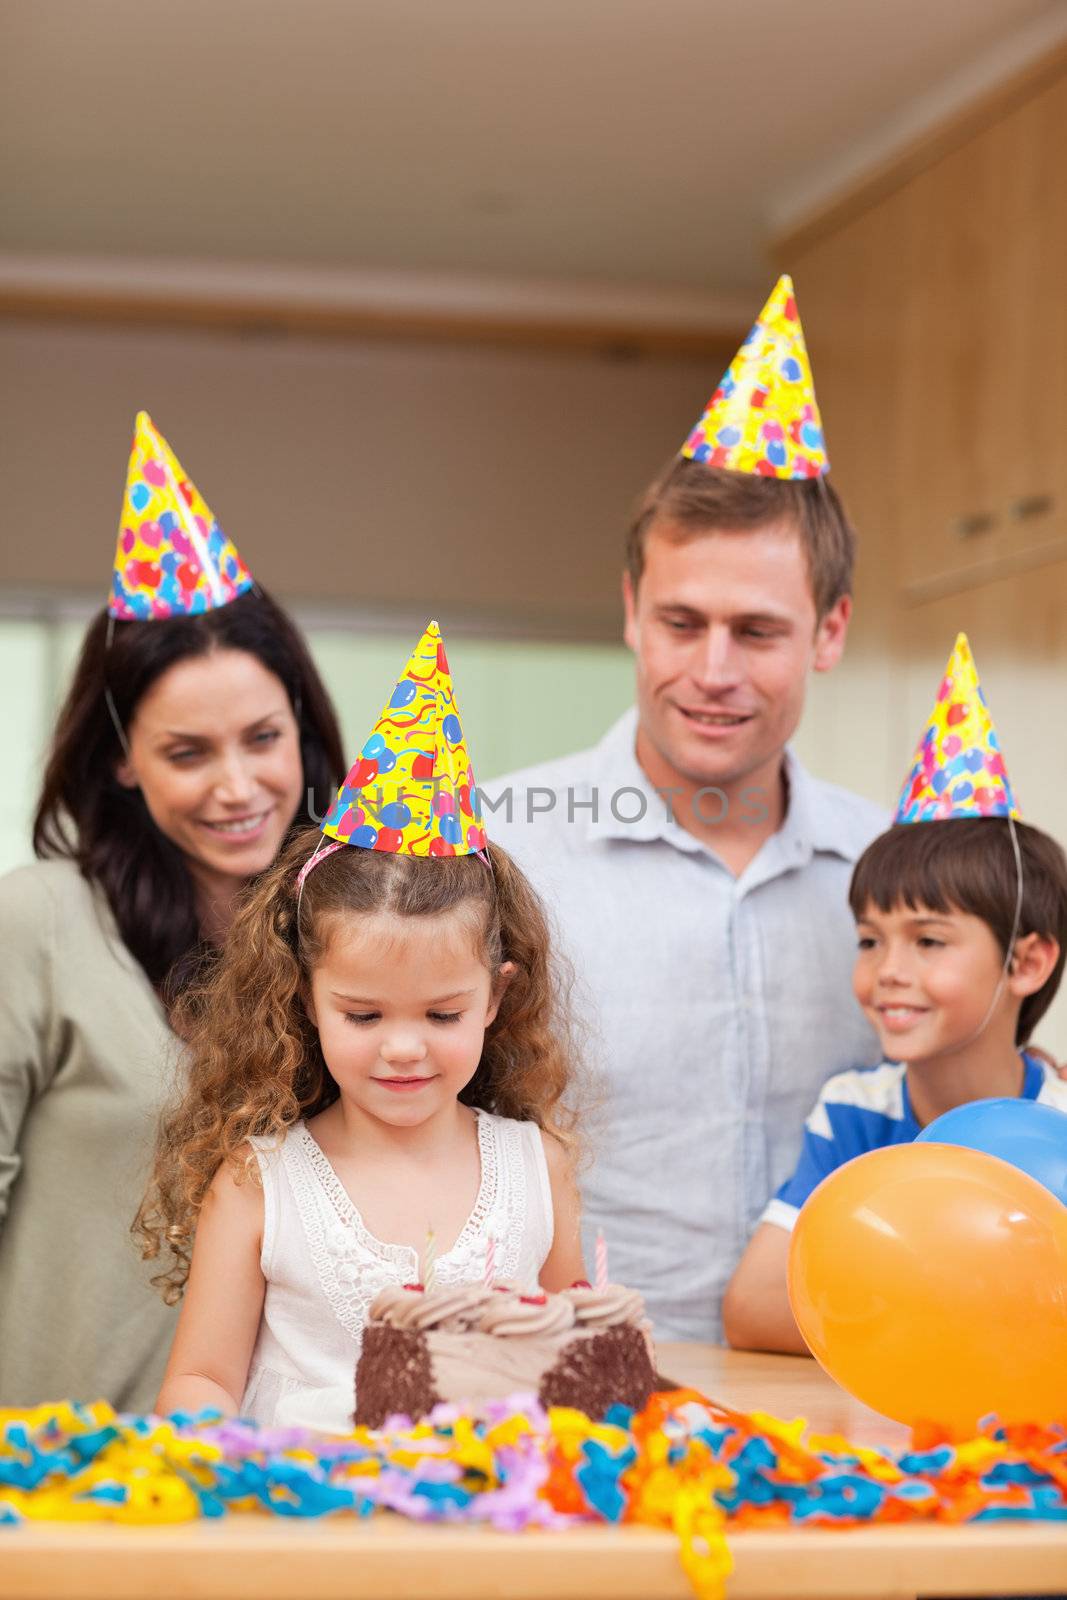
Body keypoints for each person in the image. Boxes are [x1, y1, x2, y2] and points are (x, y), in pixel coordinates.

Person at [485, 276, 885, 1342]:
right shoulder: (496, 846)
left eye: (754, 631)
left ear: (829, 631)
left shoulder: (891, 871)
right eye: (680, 622)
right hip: (567, 1408)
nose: (712, 670)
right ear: (629, 611)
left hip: (835, 1401)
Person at [137, 624, 585, 1433]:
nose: (404, 1046)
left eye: (442, 1014)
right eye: (363, 1014)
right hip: (305, 1538)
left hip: (492, 1536)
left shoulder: (536, 1168)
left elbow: (571, 1361)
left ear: (495, 996)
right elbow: (202, 1377)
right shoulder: (257, 1182)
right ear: (304, 999)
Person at [0, 413, 345, 1410]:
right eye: (188, 752)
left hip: (280, 1487)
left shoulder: (351, 939)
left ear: (302, 732)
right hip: (61, 1481)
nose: (236, 786)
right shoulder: (38, 928)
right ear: (120, 758)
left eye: (261, 738)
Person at [723, 633, 1067, 1353]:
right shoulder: (854, 1112)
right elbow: (753, 1307)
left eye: (929, 941)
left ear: (1027, 963)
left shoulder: (1059, 1124)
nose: (888, 970)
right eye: (869, 939)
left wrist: (872, 1300)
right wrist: (976, 1305)